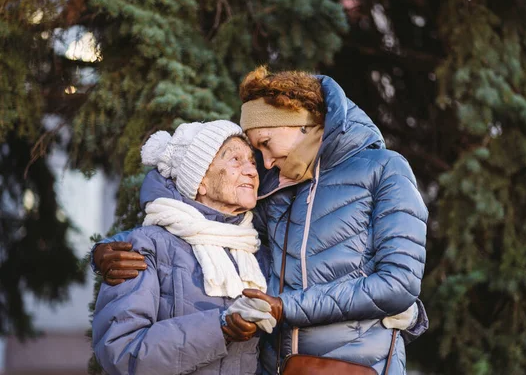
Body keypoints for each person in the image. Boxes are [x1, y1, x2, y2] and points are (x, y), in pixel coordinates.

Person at [94, 67, 429, 374]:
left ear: (299, 122)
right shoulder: (275, 190)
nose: (263, 164)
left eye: (265, 145)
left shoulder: (383, 169)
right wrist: (104, 254)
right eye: (256, 154)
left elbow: (398, 283)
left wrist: (285, 307)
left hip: (357, 366)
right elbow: (197, 208)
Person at [92, 120, 277, 375]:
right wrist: (219, 328)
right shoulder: (146, 247)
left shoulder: (259, 253)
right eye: (235, 159)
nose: (252, 171)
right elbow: (121, 352)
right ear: (199, 180)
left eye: (252, 162)